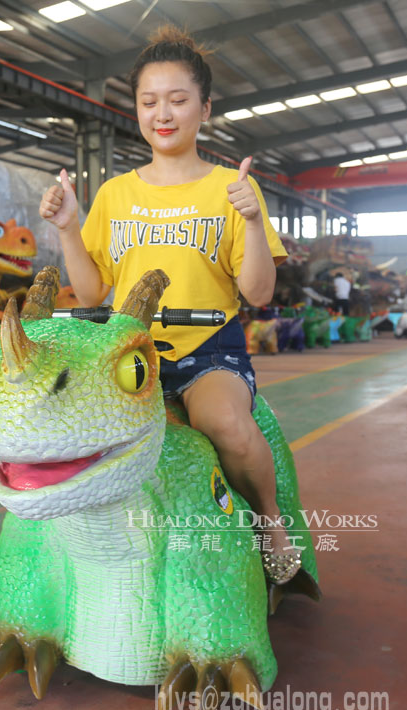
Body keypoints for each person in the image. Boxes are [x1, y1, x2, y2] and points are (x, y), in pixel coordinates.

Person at [39, 26, 300, 585]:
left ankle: (270, 520)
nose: (163, 113)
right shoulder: (115, 194)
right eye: (149, 101)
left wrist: (252, 219)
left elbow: (258, 293)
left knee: (223, 422)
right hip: (132, 353)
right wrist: (67, 228)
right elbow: (90, 295)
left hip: (210, 351)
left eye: (178, 100)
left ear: (204, 108)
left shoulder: (232, 189)